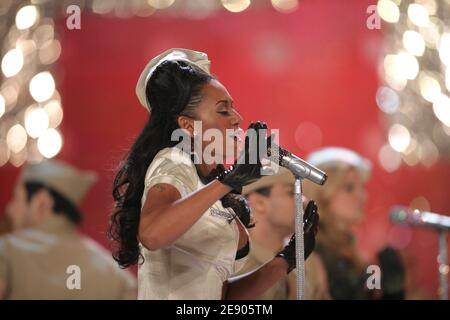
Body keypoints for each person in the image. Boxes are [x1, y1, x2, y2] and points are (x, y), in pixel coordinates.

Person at [108, 48, 319, 300]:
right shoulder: (174, 162)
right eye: (223, 111)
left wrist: (287, 259)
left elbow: (223, 295)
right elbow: (152, 234)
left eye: (233, 109)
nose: (237, 119)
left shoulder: (213, 191)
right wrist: (227, 181)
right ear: (187, 125)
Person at [0, 160, 136, 299]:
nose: (9, 210)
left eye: (17, 199)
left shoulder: (6, 250)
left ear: (41, 203)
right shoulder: (116, 275)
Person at [303, 147, 406, 300]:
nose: (362, 196)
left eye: (362, 188)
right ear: (322, 194)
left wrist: (392, 291)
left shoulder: (360, 253)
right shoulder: (307, 251)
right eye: (349, 188)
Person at [237, 167, 330, 300]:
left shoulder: (307, 261)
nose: (303, 200)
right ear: (259, 203)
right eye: (291, 192)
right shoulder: (235, 263)